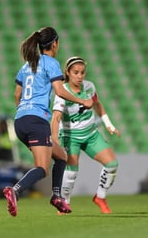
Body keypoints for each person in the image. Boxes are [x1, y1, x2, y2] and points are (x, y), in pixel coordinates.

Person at [3, 27, 93, 217]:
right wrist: (83, 100)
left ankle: (56, 196)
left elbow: (17, 94)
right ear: (55, 43)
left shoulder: (27, 65)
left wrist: (23, 111)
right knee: (42, 168)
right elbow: (60, 91)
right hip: (36, 121)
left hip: (20, 122)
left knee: (61, 156)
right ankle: (15, 191)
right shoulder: (51, 63)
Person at [51, 56, 120, 214]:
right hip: (70, 136)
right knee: (71, 172)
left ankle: (100, 197)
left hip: (90, 134)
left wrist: (108, 124)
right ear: (67, 73)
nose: (80, 76)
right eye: (76, 72)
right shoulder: (62, 91)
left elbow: (97, 104)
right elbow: (55, 117)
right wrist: (55, 139)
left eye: (82, 72)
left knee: (112, 164)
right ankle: (64, 203)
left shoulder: (89, 87)